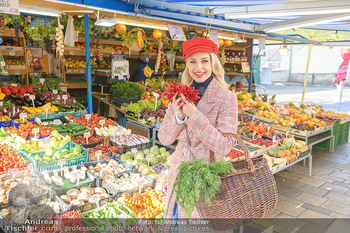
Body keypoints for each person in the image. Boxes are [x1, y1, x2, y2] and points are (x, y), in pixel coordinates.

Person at [158, 38, 238, 220]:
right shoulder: (180, 94)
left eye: (204, 61)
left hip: (206, 179)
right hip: (179, 176)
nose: (198, 67)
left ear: (213, 63)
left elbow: (225, 146)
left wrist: (193, 116)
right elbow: (164, 139)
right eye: (192, 61)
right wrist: (179, 117)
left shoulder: (226, 98)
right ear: (187, 64)